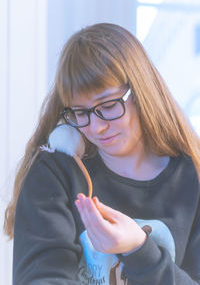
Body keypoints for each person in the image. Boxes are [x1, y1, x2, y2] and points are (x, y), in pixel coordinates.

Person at [4, 23, 200, 285]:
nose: (96, 128)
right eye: (80, 113)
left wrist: (139, 249)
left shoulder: (191, 177)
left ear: (141, 93)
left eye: (108, 106)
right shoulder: (55, 171)